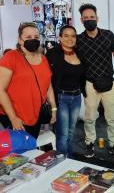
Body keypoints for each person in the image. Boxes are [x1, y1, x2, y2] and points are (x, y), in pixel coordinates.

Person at [0, 22, 57, 138]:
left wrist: (54, 108)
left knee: (31, 143)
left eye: (36, 37)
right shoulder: (11, 57)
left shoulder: (43, 58)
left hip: (35, 112)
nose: (33, 40)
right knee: (20, 149)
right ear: (20, 40)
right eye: (28, 37)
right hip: (13, 112)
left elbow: (48, 85)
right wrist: (13, 118)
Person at [76, 3, 114, 160]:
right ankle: (90, 143)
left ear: (97, 18)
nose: (90, 20)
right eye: (86, 18)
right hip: (90, 84)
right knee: (90, 117)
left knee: (111, 117)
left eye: (92, 17)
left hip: (109, 83)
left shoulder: (108, 35)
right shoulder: (78, 40)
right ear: (81, 20)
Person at [46, 25, 86, 157]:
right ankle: (62, 159)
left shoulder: (80, 52)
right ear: (60, 37)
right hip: (61, 97)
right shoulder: (52, 54)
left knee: (71, 131)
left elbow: (83, 76)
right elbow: (47, 78)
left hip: (76, 97)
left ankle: (70, 156)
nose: (70, 39)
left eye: (73, 36)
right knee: (62, 133)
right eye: (66, 35)